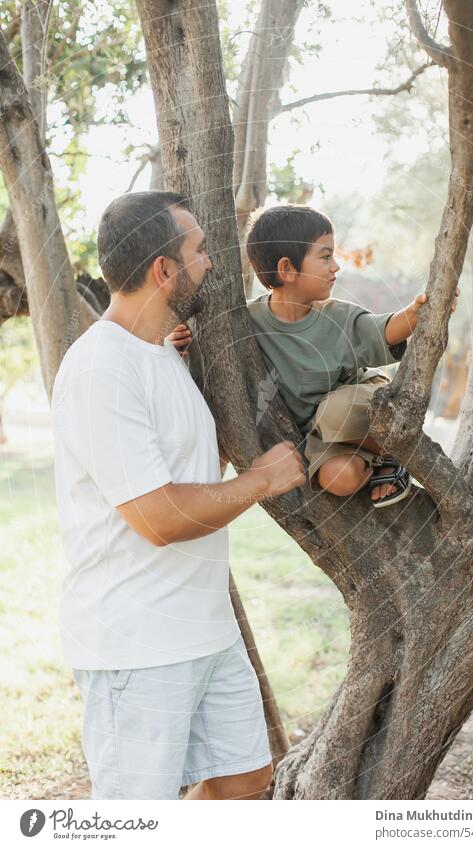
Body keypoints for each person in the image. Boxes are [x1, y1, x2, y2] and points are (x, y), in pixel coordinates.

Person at [51, 191, 305, 800]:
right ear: (164, 271)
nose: (212, 263)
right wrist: (262, 480)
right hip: (136, 643)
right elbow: (159, 517)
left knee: (244, 782)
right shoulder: (100, 370)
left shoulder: (162, 353)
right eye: (199, 249)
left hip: (205, 630)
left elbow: (188, 463)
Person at [243, 205, 459, 505]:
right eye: (325, 256)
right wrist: (180, 341)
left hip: (359, 408)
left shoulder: (337, 316)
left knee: (335, 409)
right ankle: (382, 465)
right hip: (325, 436)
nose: (336, 266)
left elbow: (384, 330)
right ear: (287, 269)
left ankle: (395, 453)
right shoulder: (247, 322)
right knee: (338, 478)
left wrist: (418, 312)